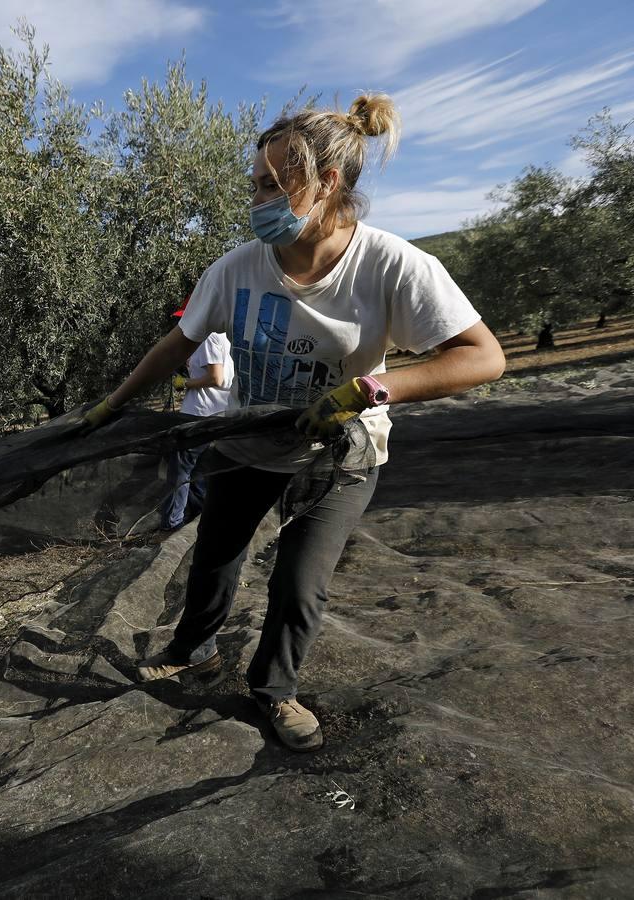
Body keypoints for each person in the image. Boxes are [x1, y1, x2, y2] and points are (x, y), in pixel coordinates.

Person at [82, 94, 505, 751]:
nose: (257, 201)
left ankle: (274, 692)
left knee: (298, 585)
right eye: (255, 185)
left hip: (340, 455)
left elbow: (483, 356)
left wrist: (372, 388)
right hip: (249, 441)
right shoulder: (239, 267)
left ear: (326, 183)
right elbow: (179, 342)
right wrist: (114, 401)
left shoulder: (391, 265)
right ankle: (194, 649)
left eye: (271, 186)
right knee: (215, 557)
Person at [162, 306, 236, 531]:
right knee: (200, 471)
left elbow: (216, 377)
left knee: (181, 472)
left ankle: (172, 524)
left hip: (200, 414)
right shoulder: (224, 335)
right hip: (218, 412)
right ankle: (197, 520)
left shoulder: (207, 336)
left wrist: (184, 384)